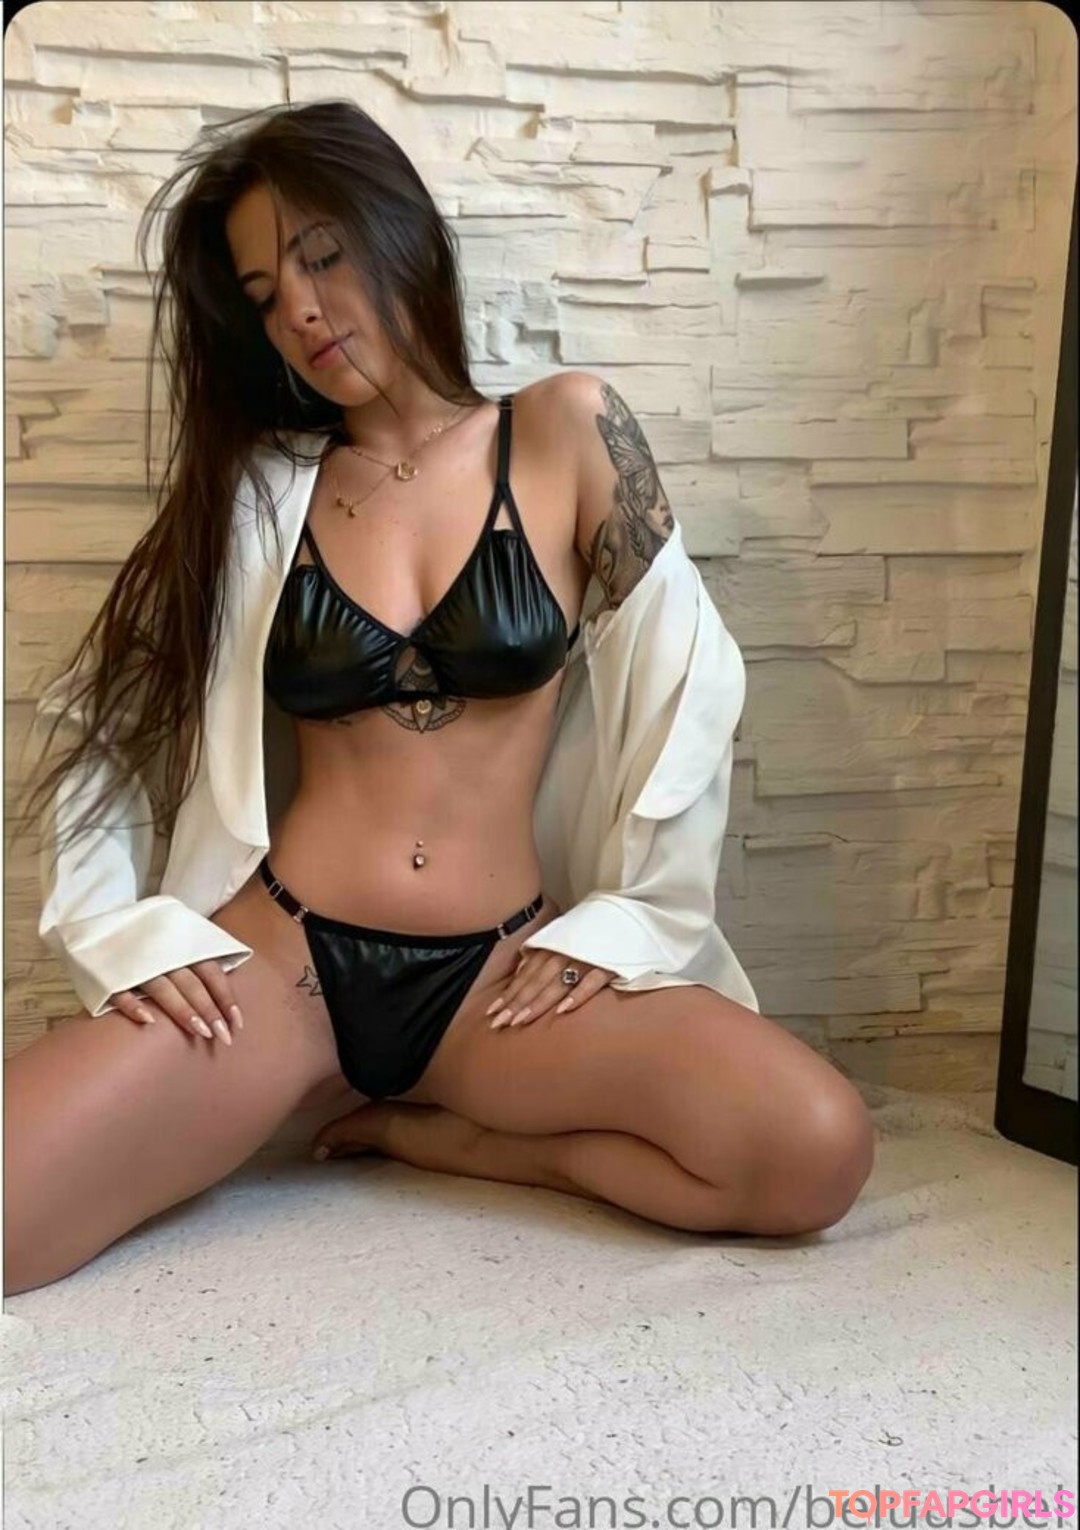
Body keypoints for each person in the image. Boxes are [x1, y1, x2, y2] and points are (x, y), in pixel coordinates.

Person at [4, 100, 874, 1297]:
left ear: (400, 232)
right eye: (264, 294)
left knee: (815, 1150)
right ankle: (339, 1089)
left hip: (497, 986)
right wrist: (117, 932)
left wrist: (631, 920)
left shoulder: (566, 432)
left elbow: (692, 692)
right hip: (287, 970)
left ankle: (457, 1141)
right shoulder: (261, 489)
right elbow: (96, 720)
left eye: (321, 255)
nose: (301, 309)